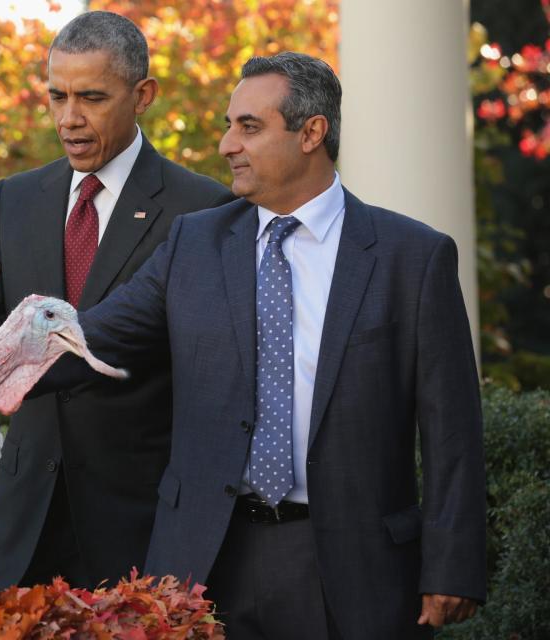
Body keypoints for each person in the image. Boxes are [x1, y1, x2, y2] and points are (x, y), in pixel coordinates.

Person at [48, 52, 485, 638]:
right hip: (202, 558)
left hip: (351, 567)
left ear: (312, 132)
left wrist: (452, 563)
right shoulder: (194, 243)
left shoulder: (412, 257)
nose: (228, 144)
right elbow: (89, 338)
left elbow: (452, 428)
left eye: (249, 127)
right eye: (229, 125)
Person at [0, 11, 233, 594]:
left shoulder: (202, 209)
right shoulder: (14, 200)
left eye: (91, 98)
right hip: (25, 521)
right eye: (57, 96)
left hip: (139, 520)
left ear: (143, 95)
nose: (69, 119)